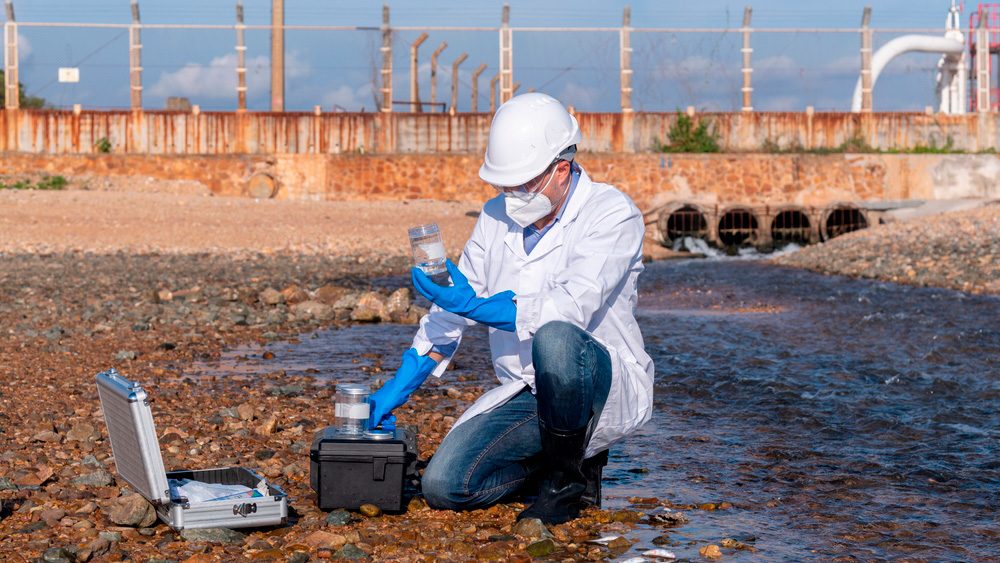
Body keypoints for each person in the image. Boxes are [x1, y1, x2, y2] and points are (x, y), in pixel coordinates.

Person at [369, 92, 654, 525]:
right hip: (528, 390)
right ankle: (557, 463)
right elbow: (455, 307)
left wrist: (479, 306)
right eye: (504, 186)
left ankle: (566, 484)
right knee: (443, 485)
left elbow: (569, 307)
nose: (512, 196)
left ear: (562, 169)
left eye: (522, 184)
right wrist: (404, 380)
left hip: (593, 381)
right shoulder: (496, 216)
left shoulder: (612, 214)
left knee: (556, 337)